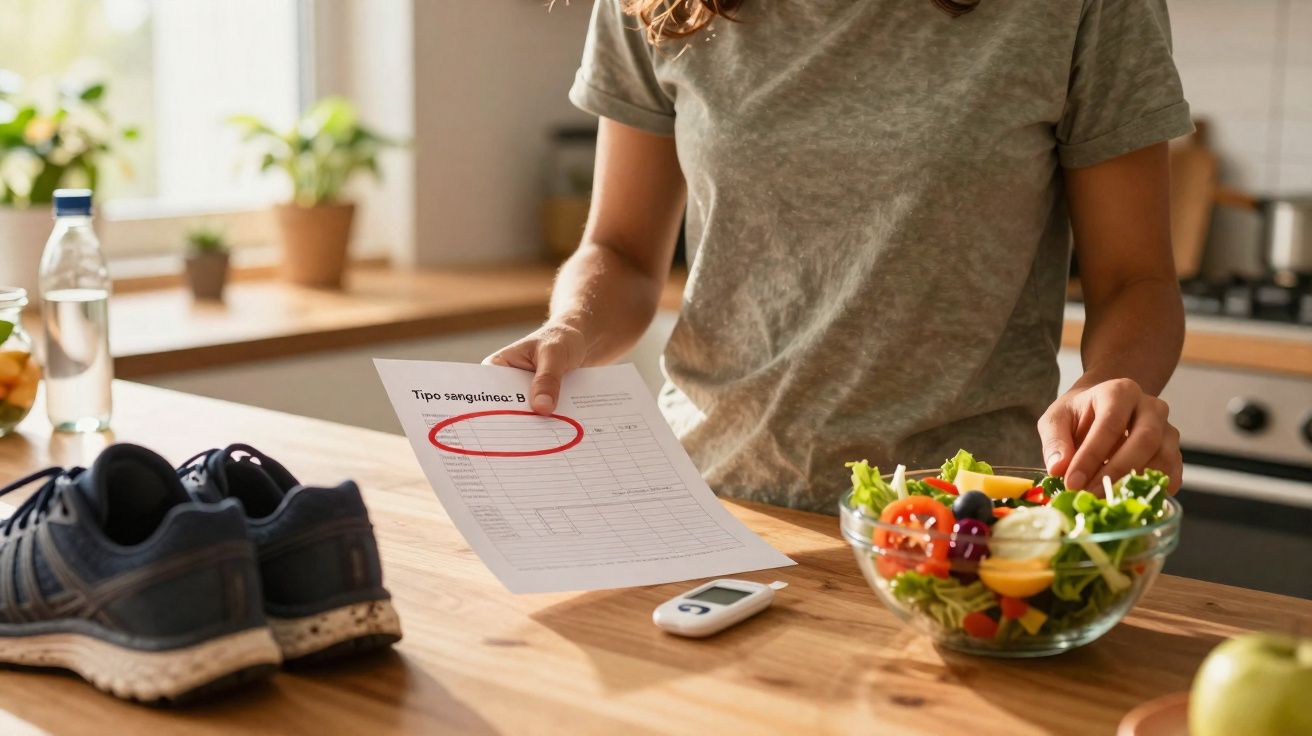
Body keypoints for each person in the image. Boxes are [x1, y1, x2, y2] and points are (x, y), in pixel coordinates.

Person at [487, 0, 1188, 512]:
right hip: (710, 503)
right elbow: (622, 251)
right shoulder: (663, 6)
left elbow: (1138, 280)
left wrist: (1108, 384)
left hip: (959, 516)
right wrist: (570, 329)